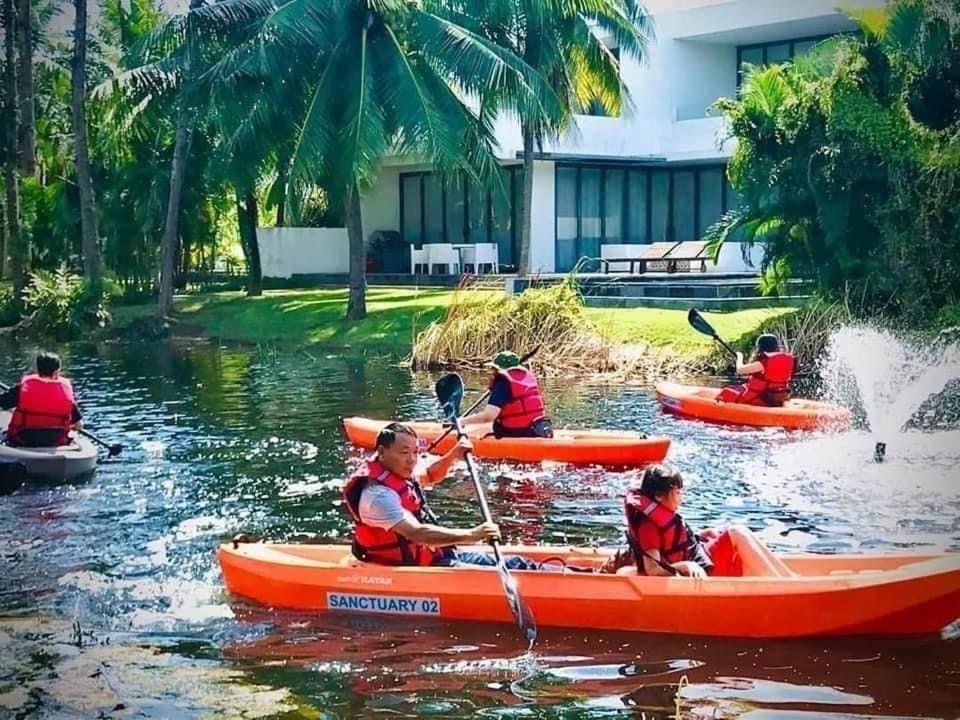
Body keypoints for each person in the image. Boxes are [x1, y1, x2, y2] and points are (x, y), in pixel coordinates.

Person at [342, 422, 543, 569]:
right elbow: (417, 533)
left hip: (433, 555)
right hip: (410, 570)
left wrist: (454, 455)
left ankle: (568, 574)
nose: (412, 460)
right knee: (496, 571)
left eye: (415, 452)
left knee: (517, 564)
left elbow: (430, 474)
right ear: (382, 451)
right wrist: (473, 535)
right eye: (404, 452)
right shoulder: (377, 496)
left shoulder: (399, 472)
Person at [600, 464, 742, 578]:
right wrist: (684, 566)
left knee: (719, 533)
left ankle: (763, 583)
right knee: (737, 533)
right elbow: (653, 569)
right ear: (659, 496)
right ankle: (764, 588)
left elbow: (674, 543)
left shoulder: (658, 517)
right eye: (678, 493)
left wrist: (699, 536)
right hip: (698, 567)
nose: (681, 498)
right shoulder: (648, 527)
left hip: (699, 559)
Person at [460, 351, 553, 439]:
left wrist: (461, 421)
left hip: (520, 433)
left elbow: (488, 416)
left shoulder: (502, 383)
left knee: (491, 425)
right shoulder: (526, 378)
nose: (491, 372)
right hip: (540, 429)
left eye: (493, 369)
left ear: (497, 369)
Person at [0, 352, 83, 448]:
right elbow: (79, 425)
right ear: (56, 372)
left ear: (38, 370)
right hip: (55, 441)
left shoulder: (22, 389)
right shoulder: (65, 392)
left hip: (22, 440)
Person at [716, 333, 796, 407]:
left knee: (726, 391)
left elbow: (739, 370)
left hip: (759, 398)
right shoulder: (787, 361)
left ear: (760, 348)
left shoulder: (764, 362)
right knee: (739, 388)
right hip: (778, 398)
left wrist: (740, 357)